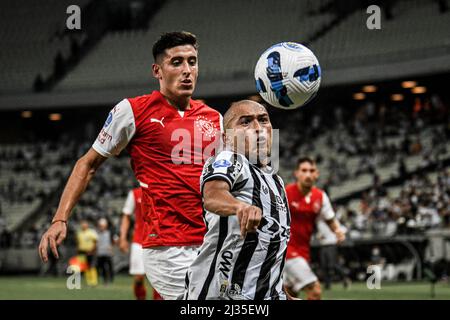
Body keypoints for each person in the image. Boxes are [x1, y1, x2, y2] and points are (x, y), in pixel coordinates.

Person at [38, 31, 222, 300]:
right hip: (167, 244)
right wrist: (59, 219)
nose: (187, 71)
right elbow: (88, 164)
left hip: (211, 241)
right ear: (157, 70)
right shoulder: (132, 111)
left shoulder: (213, 118)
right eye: (177, 62)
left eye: (192, 62)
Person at [184, 100, 291, 300]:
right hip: (219, 294)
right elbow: (213, 195)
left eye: (263, 120)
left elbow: (271, 248)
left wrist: (283, 293)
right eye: (245, 122)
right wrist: (240, 207)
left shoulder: (277, 182)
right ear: (227, 138)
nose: (258, 128)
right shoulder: (229, 159)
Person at [283, 157, 345, 300]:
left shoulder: (320, 196)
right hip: (286, 250)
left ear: (317, 174)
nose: (308, 174)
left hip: (303, 251)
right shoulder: (285, 193)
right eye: (304, 170)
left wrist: (338, 231)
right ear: (296, 173)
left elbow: (330, 218)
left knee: (291, 293)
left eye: (312, 171)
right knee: (315, 290)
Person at [119, 187, 162, 300]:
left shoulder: (161, 189)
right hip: (139, 241)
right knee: (138, 277)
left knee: (158, 279)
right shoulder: (134, 194)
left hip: (158, 241)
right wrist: (123, 238)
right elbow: (126, 216)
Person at [76, 220, 98, 287]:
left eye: (84, 224)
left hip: (90, 252)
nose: (83, 226)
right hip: (82, 252)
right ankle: (88, 282)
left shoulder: (91, 232)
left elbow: (95, 242)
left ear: (87, 225)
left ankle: (94, 282)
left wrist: (92, 251)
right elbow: (78, 242)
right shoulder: (79, 233)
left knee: (92, 266)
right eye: (82, 224)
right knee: (85, 267)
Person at [96, 218, 115, 285]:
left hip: (108, 253)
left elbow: (114, 241)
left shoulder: (109, 233)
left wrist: (111, 248)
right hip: (100, 253)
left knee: (109, 266)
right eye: (100, 226)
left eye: (103, 226)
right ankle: (104, 280)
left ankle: (111, 279)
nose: (101, 227)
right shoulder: (97, 233)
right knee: (101, 267)